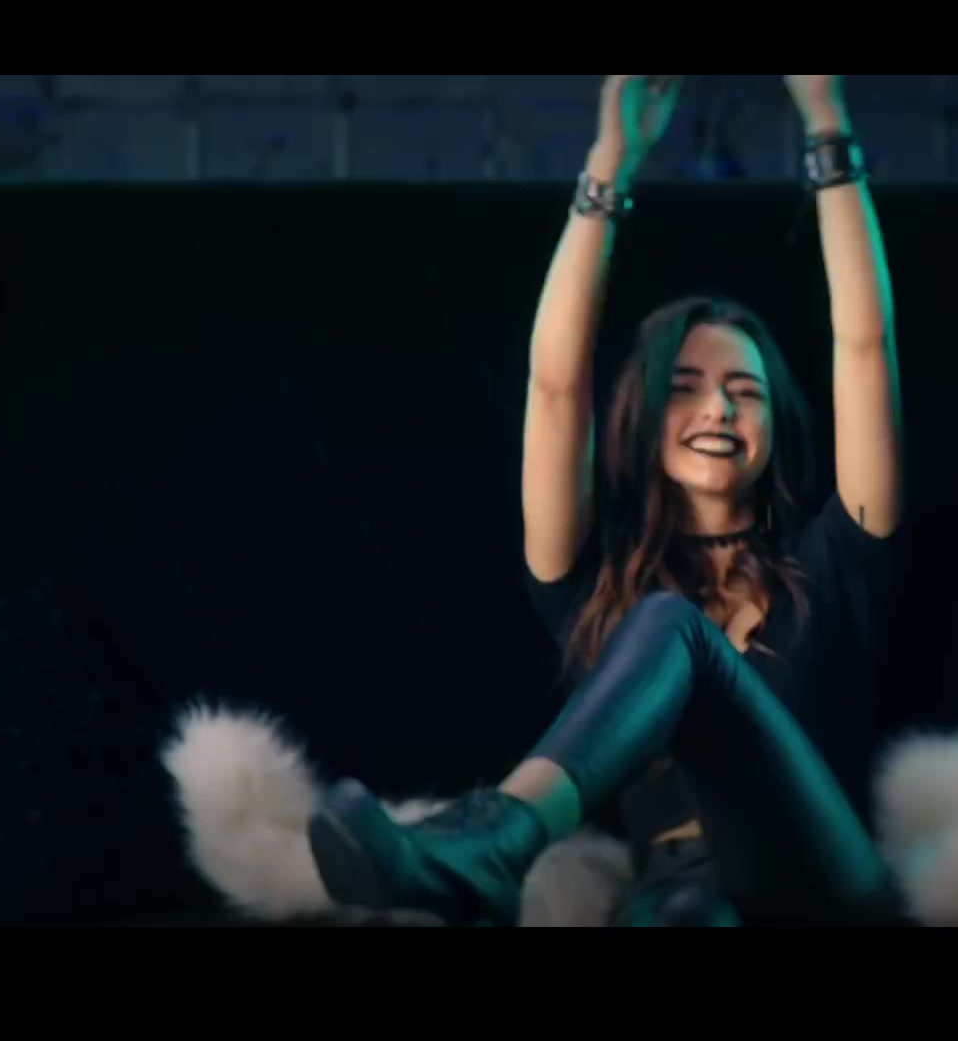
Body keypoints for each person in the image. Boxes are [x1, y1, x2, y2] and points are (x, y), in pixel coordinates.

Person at [307, 74, 910, 927]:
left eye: (745, 392)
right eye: (686, 387)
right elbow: (555, 387)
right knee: (686, 913)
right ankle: (494, 851)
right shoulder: (598, 589)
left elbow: (865, 344)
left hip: (825, 886)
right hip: (675, 891)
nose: (718, 409)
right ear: (643, 417)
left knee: (675, 628)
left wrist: (825, 117)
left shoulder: (837, 564)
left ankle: (502, 838)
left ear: (777, 428)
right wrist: (610, 163)